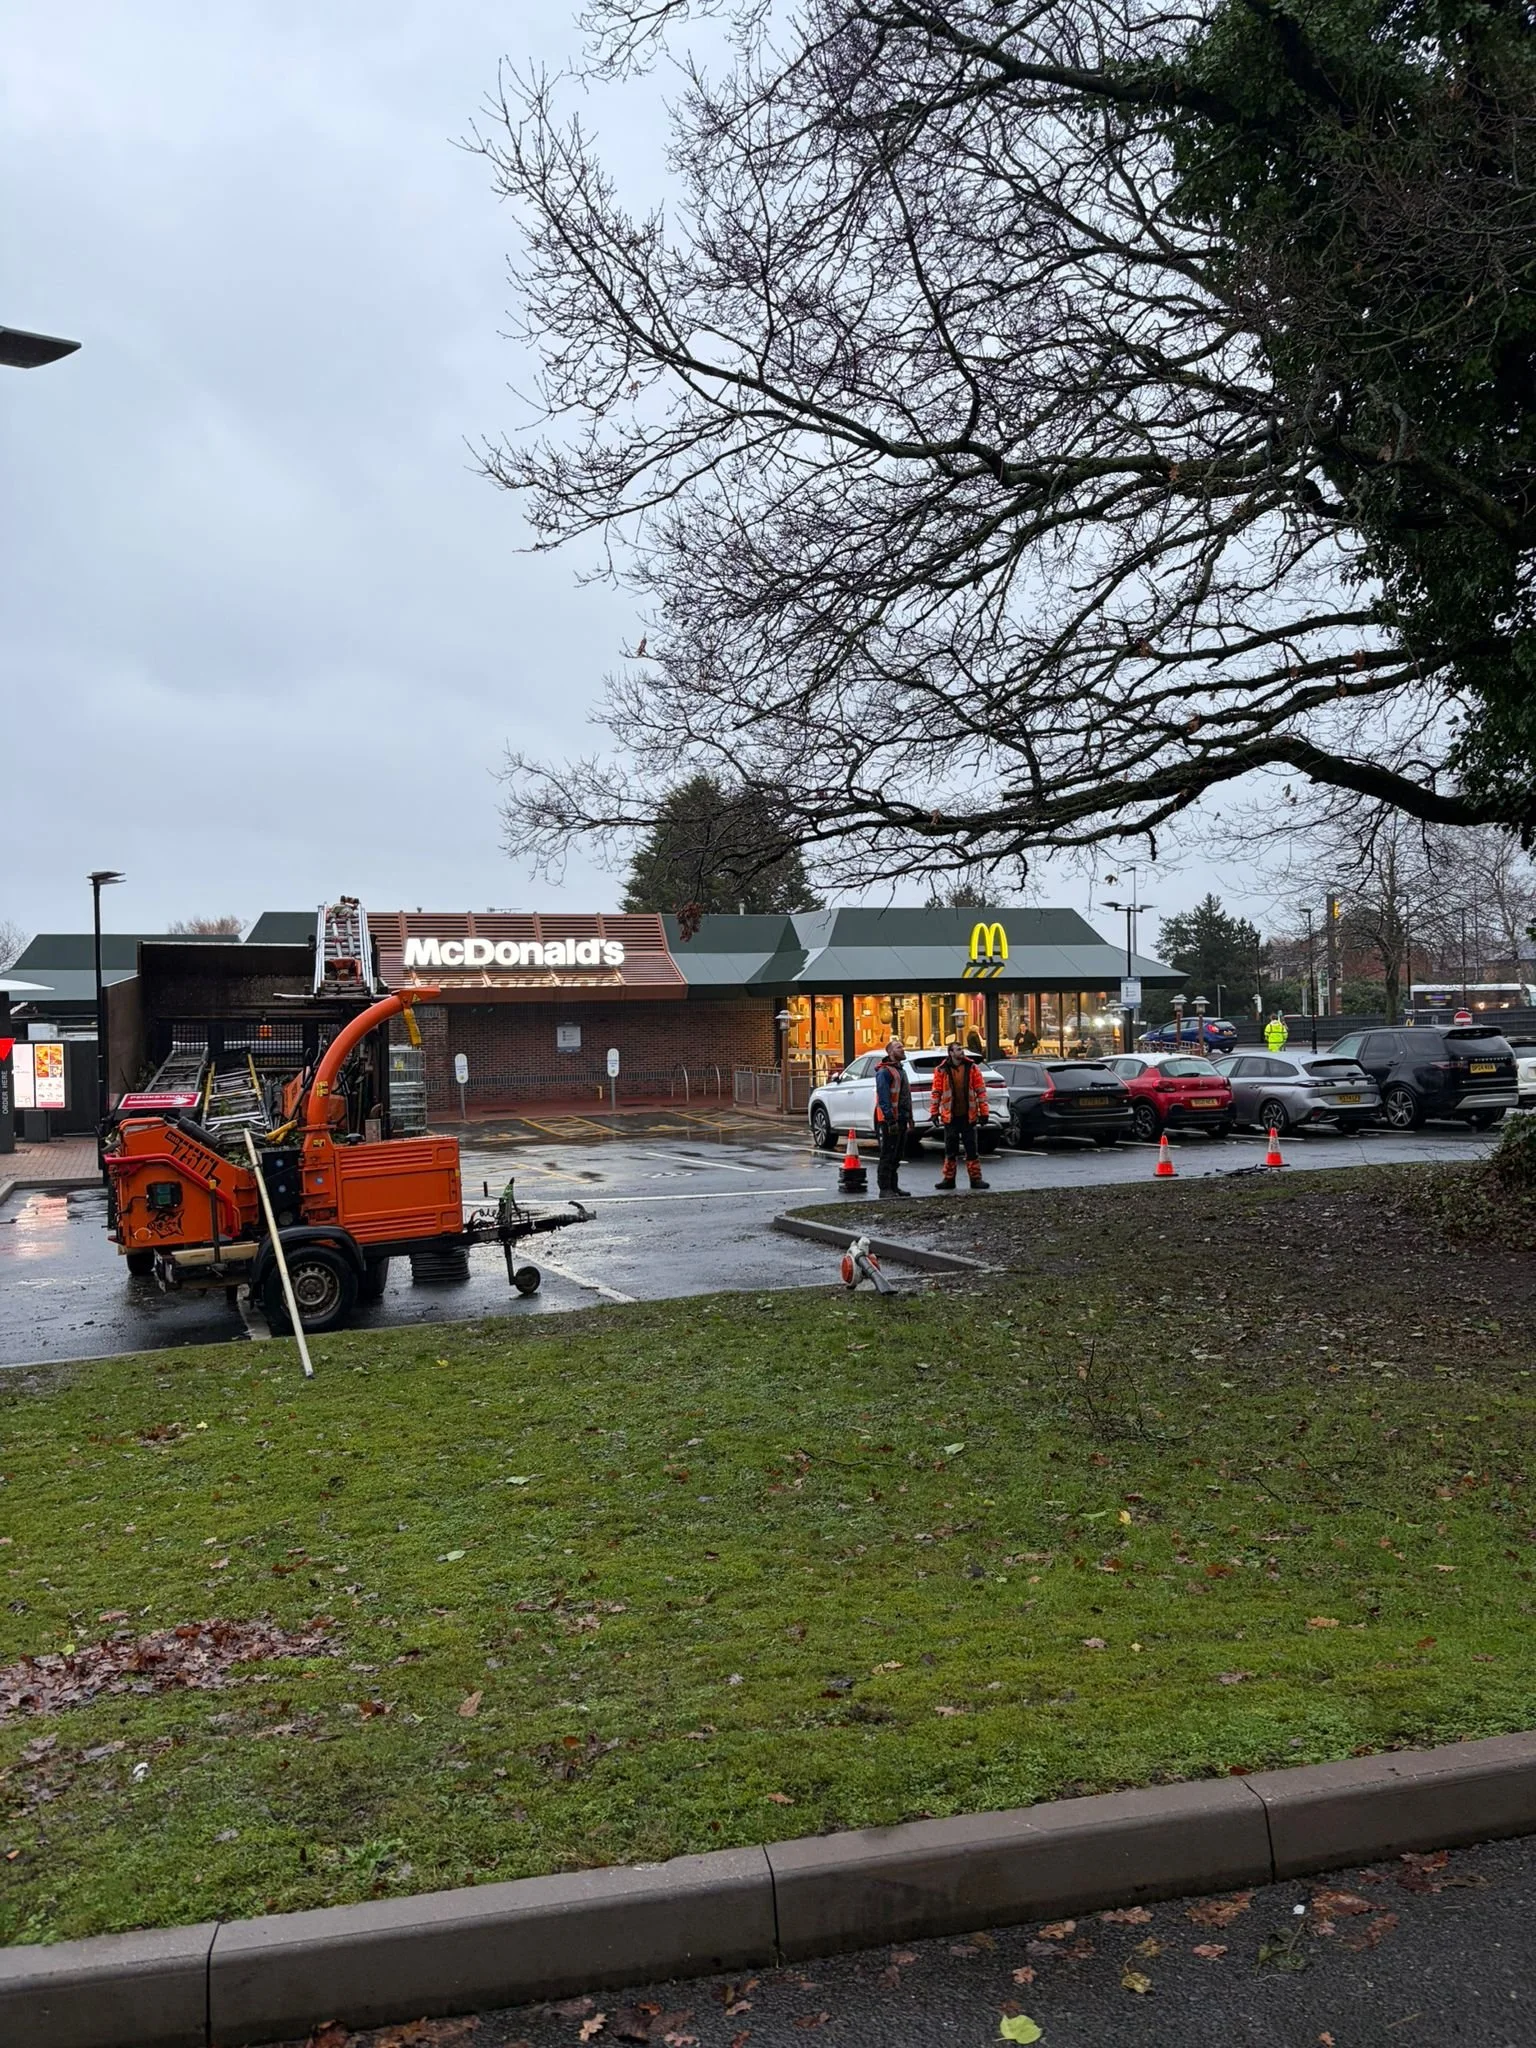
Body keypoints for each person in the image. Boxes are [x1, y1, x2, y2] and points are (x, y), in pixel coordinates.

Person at [930, 1041, 990, 1191]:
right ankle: (949, 1179)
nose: (961, 1052)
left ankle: (975, 1179)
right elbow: (936, 1092)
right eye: (958, 1049)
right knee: (950, 1149)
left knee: (971, 1149)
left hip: (968, 1115)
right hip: (950, 1116)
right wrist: (934, 1112)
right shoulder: (942, 1070)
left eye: (961, 1049)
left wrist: (984, 1112)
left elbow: (980, 1091)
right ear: (951, 1053)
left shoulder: (972, 1068)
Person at [874, 1037, 913, 1198]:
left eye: (902, 1046)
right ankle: (885, 1188)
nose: (902, 1049)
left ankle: (893, 1186)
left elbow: (905, 1096)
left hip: (901, 1118)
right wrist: (890, 1120)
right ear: (890, 1052)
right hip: (891, 1120)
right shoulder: (885, 1072)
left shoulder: (900, 1070)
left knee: (896, 1155)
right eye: (898, 1047)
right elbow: (884, 1098)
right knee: (888, 1154)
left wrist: (909, 1117)